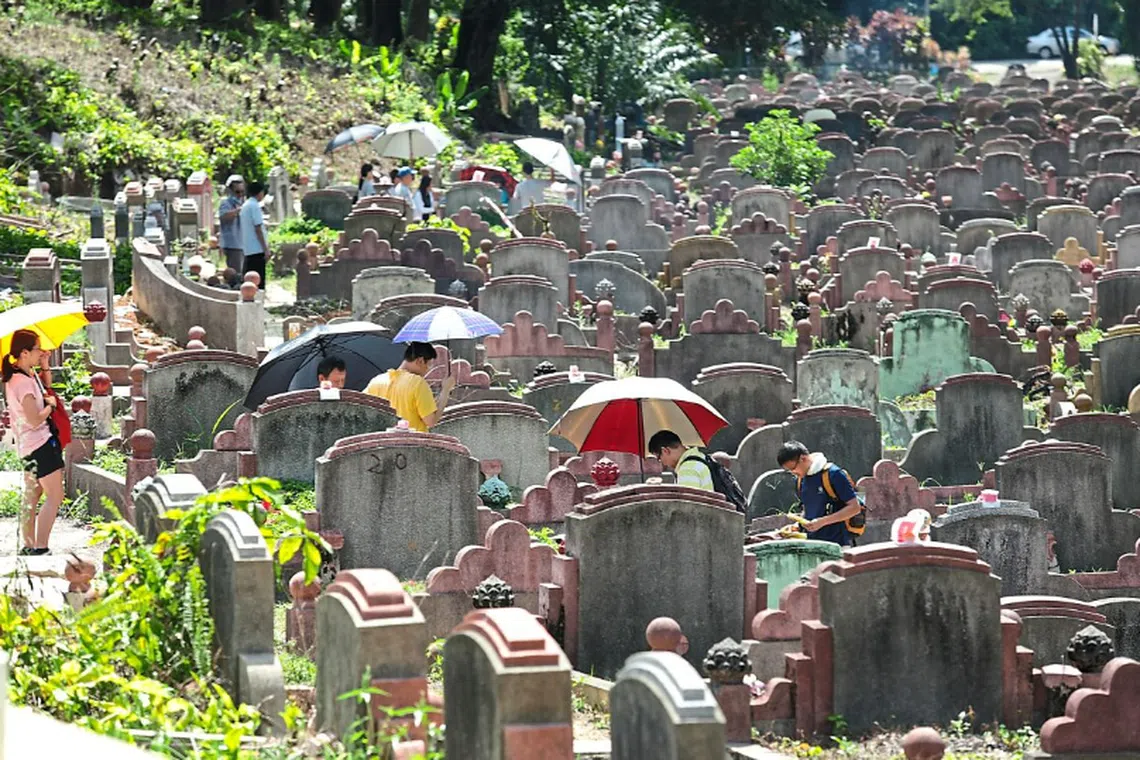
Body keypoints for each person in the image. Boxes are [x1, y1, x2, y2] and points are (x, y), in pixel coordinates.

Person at [3, 330, 64, 556]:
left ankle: (29, 544)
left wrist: (45, 364)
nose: (41, 352)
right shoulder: (23, 383)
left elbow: (44, 385)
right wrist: (51, 406)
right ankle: (40, 546)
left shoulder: (19, 377)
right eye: (38, 349)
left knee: (33, 495)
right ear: (25, 352)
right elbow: (34, 418)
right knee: (55, 496)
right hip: (40, 444)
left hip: (27, 446)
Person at [777, 440, 862, 546]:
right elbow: (808, 510)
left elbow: (854, 508)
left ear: (803, 458)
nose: (793, 473)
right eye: (789, 471)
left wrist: (822, 522)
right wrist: (798, 525)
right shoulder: (800, 480)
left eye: (793, 469)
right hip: (813, 542)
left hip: (839, 543)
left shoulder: (833, 474)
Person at [364, 342, 456, 432]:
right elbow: (431, 421)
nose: (428, 369)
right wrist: (446, 390)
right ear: (420, 361)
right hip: (413, 443)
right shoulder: (418, 383)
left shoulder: (377, 381)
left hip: (383, 442)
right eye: (429, 364)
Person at [647, 430, 714, 492]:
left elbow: (687, 503)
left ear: (665, 451)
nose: (662, 463)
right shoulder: (700, 457)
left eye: (659, 458)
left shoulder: (687, 469)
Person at [240, 180, 269, 289]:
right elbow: (258, 228)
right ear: (260, 192)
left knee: (249, 277)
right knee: (257, 279)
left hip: (249, 248)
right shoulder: (254, 206)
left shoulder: (246, 205)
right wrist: (265, 248)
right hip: (257, 248)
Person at [218, 175, 245, 272]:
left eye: (242, 192)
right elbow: (223, 217)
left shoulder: (243, 202)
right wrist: (237, 211)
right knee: (236, 273)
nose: (240, 195)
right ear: (230, 191)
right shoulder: (226, 203)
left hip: (244, 243)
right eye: (237, 192)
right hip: (233, 244)